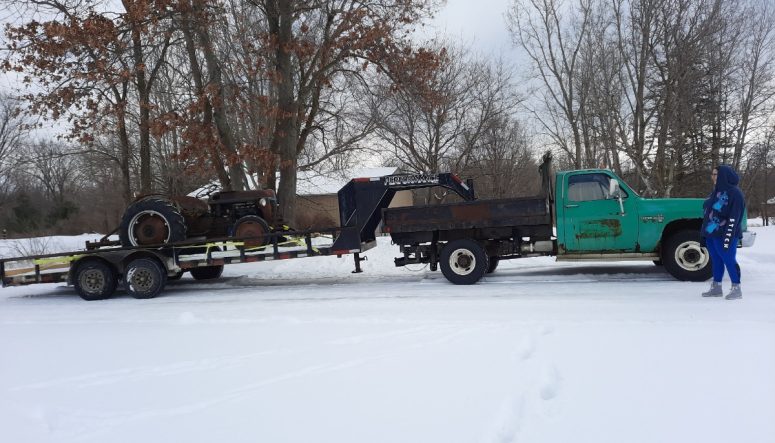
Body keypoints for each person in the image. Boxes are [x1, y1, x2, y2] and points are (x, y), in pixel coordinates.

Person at [700, 165, 745, 300]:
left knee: (729, 260)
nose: (712, 177)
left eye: (715, 174)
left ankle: (736, 288)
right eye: (712, 174)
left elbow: (734, 217)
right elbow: (709, 213)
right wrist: (704, 234)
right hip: (712, 234)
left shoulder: (735, 193)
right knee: (716, 260)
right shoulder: (716, 191)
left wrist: (728, 237)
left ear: (724, 176)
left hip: (726, 234)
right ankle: (716, 287)